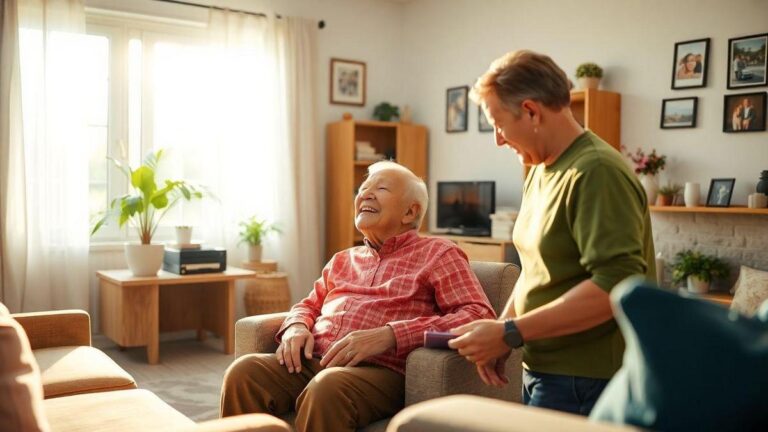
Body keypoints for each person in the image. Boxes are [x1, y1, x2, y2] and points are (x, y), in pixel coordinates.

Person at [448, 50, 656, 416]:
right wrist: (502, 334)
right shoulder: (541, 169)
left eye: (498, 124)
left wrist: (511, 332)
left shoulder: (595, 171)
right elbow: (536, 270)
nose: (498, 140)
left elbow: (616, 286)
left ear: (531, 111)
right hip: (546, 369)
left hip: (587, 378)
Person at [220, 161, 496, 431]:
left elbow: (478, 315)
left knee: (328, 388)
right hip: (315, 360)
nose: (365, 193)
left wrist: (390, 335)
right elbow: (308, 305)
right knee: (244, 373)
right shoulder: (343, 259)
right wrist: (296, 326)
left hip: (379, 372)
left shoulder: (438, 253)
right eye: (363, 187)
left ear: (410, 212)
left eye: (382, 188)